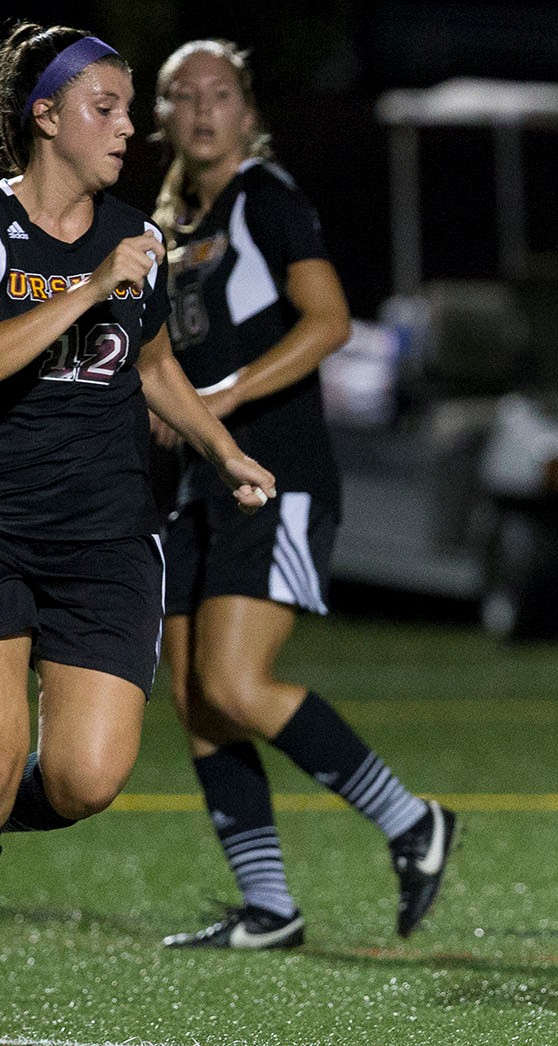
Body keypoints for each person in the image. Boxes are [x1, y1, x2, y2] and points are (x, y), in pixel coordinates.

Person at [146, 39, 457, 950]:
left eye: (220, 94)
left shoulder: (267, 199)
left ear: (247, 111)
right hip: (199, 483)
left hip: (274, 475)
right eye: (181, 97)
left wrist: (225, 398)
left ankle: (412, 822)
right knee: (197, 701)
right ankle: (269, 907)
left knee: (236, 685)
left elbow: (327, 323)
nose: (202, 111)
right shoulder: (166, 225)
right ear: (160, 116)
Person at [0, 24, 276, 846]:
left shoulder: (137, 239)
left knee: (86, 779)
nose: (129, 127)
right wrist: (87, 290)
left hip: (105, 536)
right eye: (106, 108)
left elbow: (154, 370)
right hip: (1, 527)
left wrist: (223, 452)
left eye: (127, 110)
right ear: (47, 117)